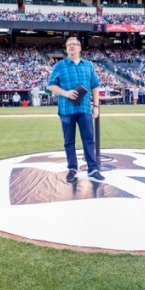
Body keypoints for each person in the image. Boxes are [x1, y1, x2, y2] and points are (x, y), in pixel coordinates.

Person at [47, 36, 104, 182]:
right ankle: (72, 168)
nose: (71, 46)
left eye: (74, 44)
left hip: (84, 108)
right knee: (69, 141)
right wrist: (65, 93)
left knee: (88, 139)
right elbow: (50, 85)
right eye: (68, 45)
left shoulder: (88, 65)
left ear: (80, 48)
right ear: (66, 49)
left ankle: (93, 169)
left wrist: (96, 106)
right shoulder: (59, 66)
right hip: (66, 109)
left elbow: (95, 85)